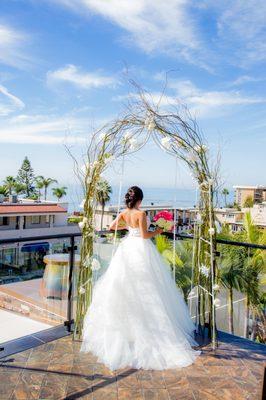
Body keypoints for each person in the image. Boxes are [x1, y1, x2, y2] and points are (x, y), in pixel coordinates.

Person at [81, 186, 200, 370]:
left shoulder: (124, 213)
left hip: (126, 248)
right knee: (149, 290)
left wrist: (126, 226)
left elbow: (112, 227)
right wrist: (159, 231)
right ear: (140, 200)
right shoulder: (142, 214)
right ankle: (148, 332)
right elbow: (145, 236)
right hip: (141, 250)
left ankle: (128, 332)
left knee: (124, 289)